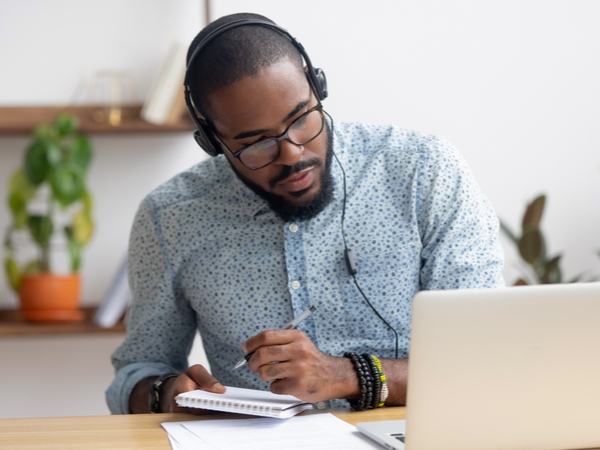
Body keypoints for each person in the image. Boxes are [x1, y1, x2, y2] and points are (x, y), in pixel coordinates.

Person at [106, 12, 504, 415]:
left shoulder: (424, 171)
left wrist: (345, 376)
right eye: (256, 143)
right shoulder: (169, 217)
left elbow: (488, 358)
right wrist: (166, 393)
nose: (292, 153)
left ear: (318, 87)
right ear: (212, 141)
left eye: (301, 119)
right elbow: (136, 373)